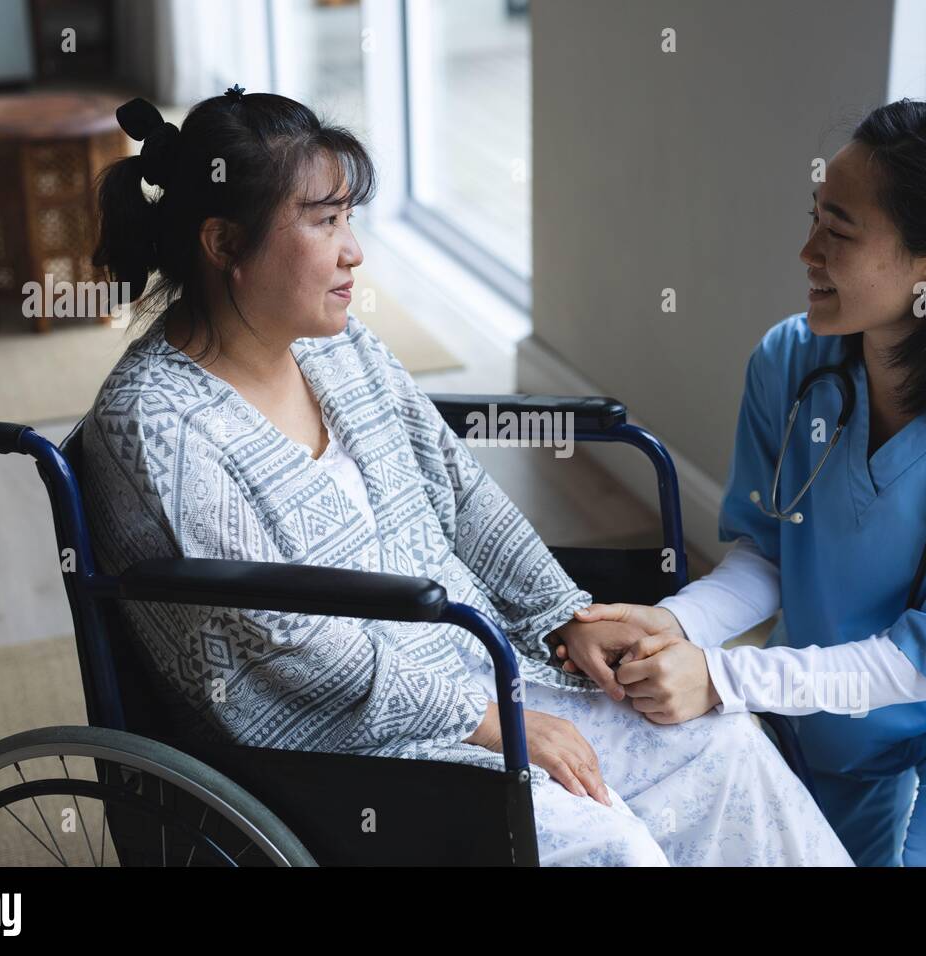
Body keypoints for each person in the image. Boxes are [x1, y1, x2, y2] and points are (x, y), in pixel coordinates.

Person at [82, 87, 853, 866]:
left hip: (481, 671)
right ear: (222, 243)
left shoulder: (339, 350)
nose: (354, 250)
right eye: (324, 221)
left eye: (349, 218)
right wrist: (491, 721)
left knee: (719, 746)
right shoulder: (156, 424)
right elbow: (285, 650)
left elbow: (462, 496)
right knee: (609, 847)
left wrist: (563, 617)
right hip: (342, 754)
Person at [562, 99, 926, 867]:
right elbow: (769, 553)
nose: (806, 250)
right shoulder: (790, 362)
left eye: (838, 231)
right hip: (837, 696)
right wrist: (672, 629)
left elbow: (924, 664)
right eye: (815, 217)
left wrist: (722, 674)